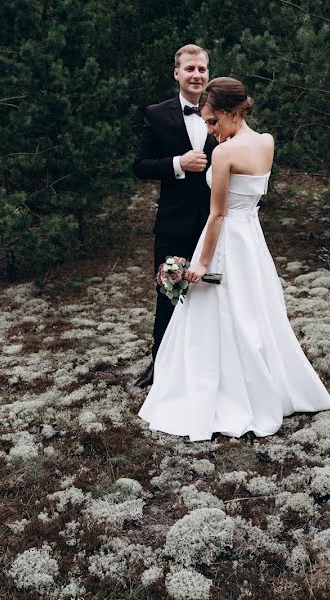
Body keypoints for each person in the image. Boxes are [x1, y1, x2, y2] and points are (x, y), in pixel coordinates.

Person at [138, 77, 330, 442]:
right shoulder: (266, 142)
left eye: (214, 121)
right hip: (252, 239)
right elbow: (251, 199)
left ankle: (228, 391)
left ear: (233, 113)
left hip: (227, 240)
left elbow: (217, 215)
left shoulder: (224, 153)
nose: (210, 129)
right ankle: (265, 384)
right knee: (255, 310)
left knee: (221, 313)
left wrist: (201, 263)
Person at [132, 44, 219, 388]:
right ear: (177, 74)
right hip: (174, 222)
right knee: (168, 293)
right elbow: (139, 166)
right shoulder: (157, 114)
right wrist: (177, 164)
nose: (196, 75)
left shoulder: (223, 112)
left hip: (215, 224)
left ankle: (209, 366)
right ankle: (160, 367)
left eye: (202, 69)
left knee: (215, 292)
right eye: (190, 69)